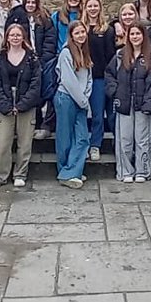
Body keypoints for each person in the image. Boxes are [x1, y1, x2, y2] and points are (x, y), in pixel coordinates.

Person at [106, 23, 151, 183]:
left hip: (143, 105)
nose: (135, 37)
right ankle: (125, 171)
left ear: (143, 36)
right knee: (124, 139)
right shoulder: (120, 55)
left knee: (143, 139)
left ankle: (142, 171)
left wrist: (149, 104)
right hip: (124, 104)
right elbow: (109, 75)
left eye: (138, 34)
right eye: (132, 34)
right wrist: (115, 91)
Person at [0, 22, 42, 188]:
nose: (15, 38)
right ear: (7, 37)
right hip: (5, 102)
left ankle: (20, 174)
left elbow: (36, 84)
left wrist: (22, 105)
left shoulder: (32, 58)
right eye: (12, 35)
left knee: (25, 142)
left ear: (23, 37)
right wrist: (5, 105)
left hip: (25, 103)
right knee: (3, 142)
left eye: (18, 35)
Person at [8, 0, 57, 138]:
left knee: (46, 91)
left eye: (33, 2)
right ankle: (32, 124)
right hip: (25, 61)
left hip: (43, 61)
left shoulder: (45, 19)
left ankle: (46, 125)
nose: (30, 5)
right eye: (28, 2)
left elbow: (50, 41)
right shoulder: (18, 19)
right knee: (29, 92)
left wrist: (42, 61)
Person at [55, 20, 92, 188]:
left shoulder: (84, 52)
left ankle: (72, 171)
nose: (80, 35)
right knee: (65, 137)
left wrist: (85, 96)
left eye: (82, 32)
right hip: (66, 98)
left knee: (83, 138)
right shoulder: (66, 53)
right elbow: (68, 80)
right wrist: (82, 100)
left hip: (81, 100)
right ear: (71, 35)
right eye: (77, 33)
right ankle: (66, 172)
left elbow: (88, 79)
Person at [83, 0, 115, 162]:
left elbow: (110, 56)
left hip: (101, 77)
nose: (93, 9)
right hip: (84, 76)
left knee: (100, 113)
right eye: (90, 6)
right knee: (90, 113)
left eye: (96, 6)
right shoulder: (81, 28)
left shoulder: (107, 30)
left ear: (100, 8)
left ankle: (95, 145)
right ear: (85, 8)